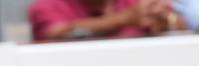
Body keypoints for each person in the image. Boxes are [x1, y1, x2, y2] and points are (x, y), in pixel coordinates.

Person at [29, 0, 182, 40]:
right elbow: (58, 33)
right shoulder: (47, 6)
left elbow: (180, 22)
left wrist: (166, 22)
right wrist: (125, 19)